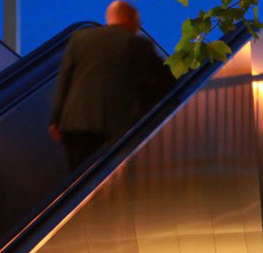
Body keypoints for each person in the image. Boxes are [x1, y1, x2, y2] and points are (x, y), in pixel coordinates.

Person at [49, 1, 174, 169]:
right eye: (138, 22)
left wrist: (55, 119)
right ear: (128, 18)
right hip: (118, 125)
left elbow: (65, 80)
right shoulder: (138, 44)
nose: (138, 27)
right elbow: (165, 83)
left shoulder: (80, 39)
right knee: (114, 172)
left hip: (76, 124)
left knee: (80, 175)